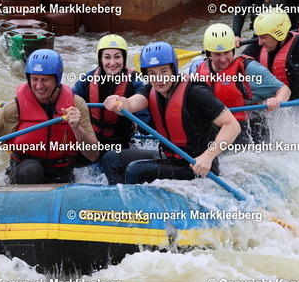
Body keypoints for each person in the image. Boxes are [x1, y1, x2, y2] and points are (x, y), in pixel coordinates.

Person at [101, 41, 241, 185]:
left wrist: (208, 156)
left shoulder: (195, 92)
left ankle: (134, 197)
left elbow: (232, 125)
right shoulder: (150, 90)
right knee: (111, 158)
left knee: (136, 170)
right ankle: (119, 194)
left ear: (174, 70)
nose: (158, 79)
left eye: (164, 71)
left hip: (197, 166)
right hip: (170, 158)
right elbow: (130, 104)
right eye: (152, 73)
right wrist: (118, 101)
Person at [0, 49, 99, 184]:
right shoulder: (14, 108)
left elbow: (93, 155)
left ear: (57, 79)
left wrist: (77, 128)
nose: (39, 86)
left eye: (45, 80)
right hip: (25, 174)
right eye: (34, 79)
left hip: (62, 174)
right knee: (32, 169)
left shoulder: (76, 105)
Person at [192, 23, 291, 143]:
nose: (223, 59)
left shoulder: (249, 69)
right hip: (217, 132)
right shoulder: (199, 70)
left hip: (251, 132)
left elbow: (284, 89)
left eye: (227, 52)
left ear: (233, 50)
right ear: (209, 54)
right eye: (217, 54)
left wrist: (277, 99)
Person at [72, 34, 151, 163]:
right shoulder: (88, 79)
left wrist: (140, 123)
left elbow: (145, 121)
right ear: (100, 59)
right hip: (93, 140)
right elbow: (69, 100)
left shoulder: (135, 81)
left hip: (123, 142)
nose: (112, 63)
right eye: (107, 57)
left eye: (117, 57)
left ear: (124, 58)